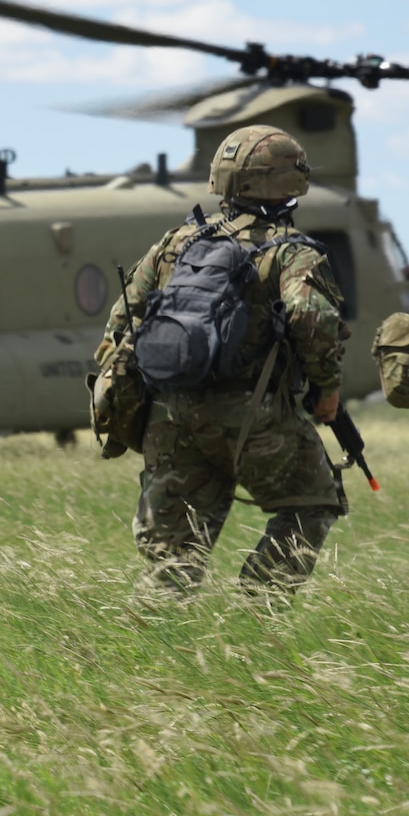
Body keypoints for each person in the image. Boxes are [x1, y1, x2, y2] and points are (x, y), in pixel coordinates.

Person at [98, 125, 348, 597]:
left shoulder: (176, 243)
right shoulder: (291, 252)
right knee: (315, 502)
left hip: (170, 419)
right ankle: (257, 612)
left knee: (171, 558)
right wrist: (328, 390)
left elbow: (119, 325)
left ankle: (144, 652)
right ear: (286, 183)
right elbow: (313, 321)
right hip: (254, 418)